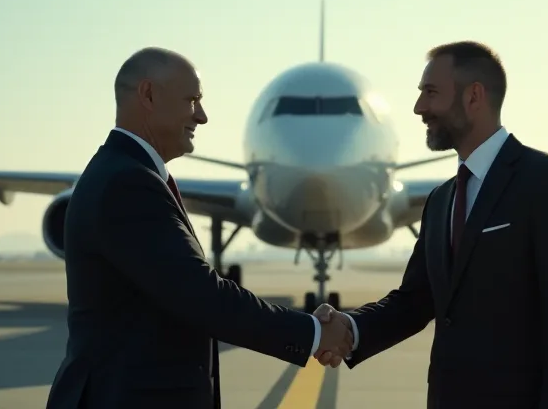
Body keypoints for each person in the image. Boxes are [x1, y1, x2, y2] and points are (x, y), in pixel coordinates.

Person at [45, 47, 354, 409]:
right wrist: (312, 333)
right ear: (148, 95)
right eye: (192, 101)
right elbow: (202, 295)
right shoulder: (128, 183)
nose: (202, 117)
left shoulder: (123, 173)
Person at [313, 41, 548, 407]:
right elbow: (415, 301)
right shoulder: (441, 200)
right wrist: (352, 328)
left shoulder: (547, 181)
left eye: (431, 93)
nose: (419, 108)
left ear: (473, 96)